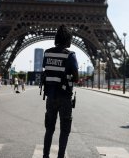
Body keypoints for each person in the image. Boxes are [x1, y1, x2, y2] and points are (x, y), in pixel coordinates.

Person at [42, 25, 79, 158]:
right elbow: (76, 78)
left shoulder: (47, 53)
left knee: (49, 129)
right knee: (65, 130)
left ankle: (45, 156)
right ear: (67, 39)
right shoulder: (70, 55)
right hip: (65, 97)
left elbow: (46, 71)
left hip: (50, 96)